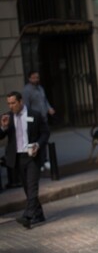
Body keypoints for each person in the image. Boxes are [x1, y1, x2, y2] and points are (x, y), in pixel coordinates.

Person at [1, 91, 50, 228]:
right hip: (18, 157)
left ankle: (28, 215)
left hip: (32, 156)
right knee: (28, 188)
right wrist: (3, 127)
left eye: (13, 103)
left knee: (32, 186)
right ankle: (39, 215)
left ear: (21, 101)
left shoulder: (35, 114)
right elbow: (0, 136)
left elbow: (45, 133)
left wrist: (38, 145)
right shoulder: (7, 117)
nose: (11, 106)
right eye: (9, 104)